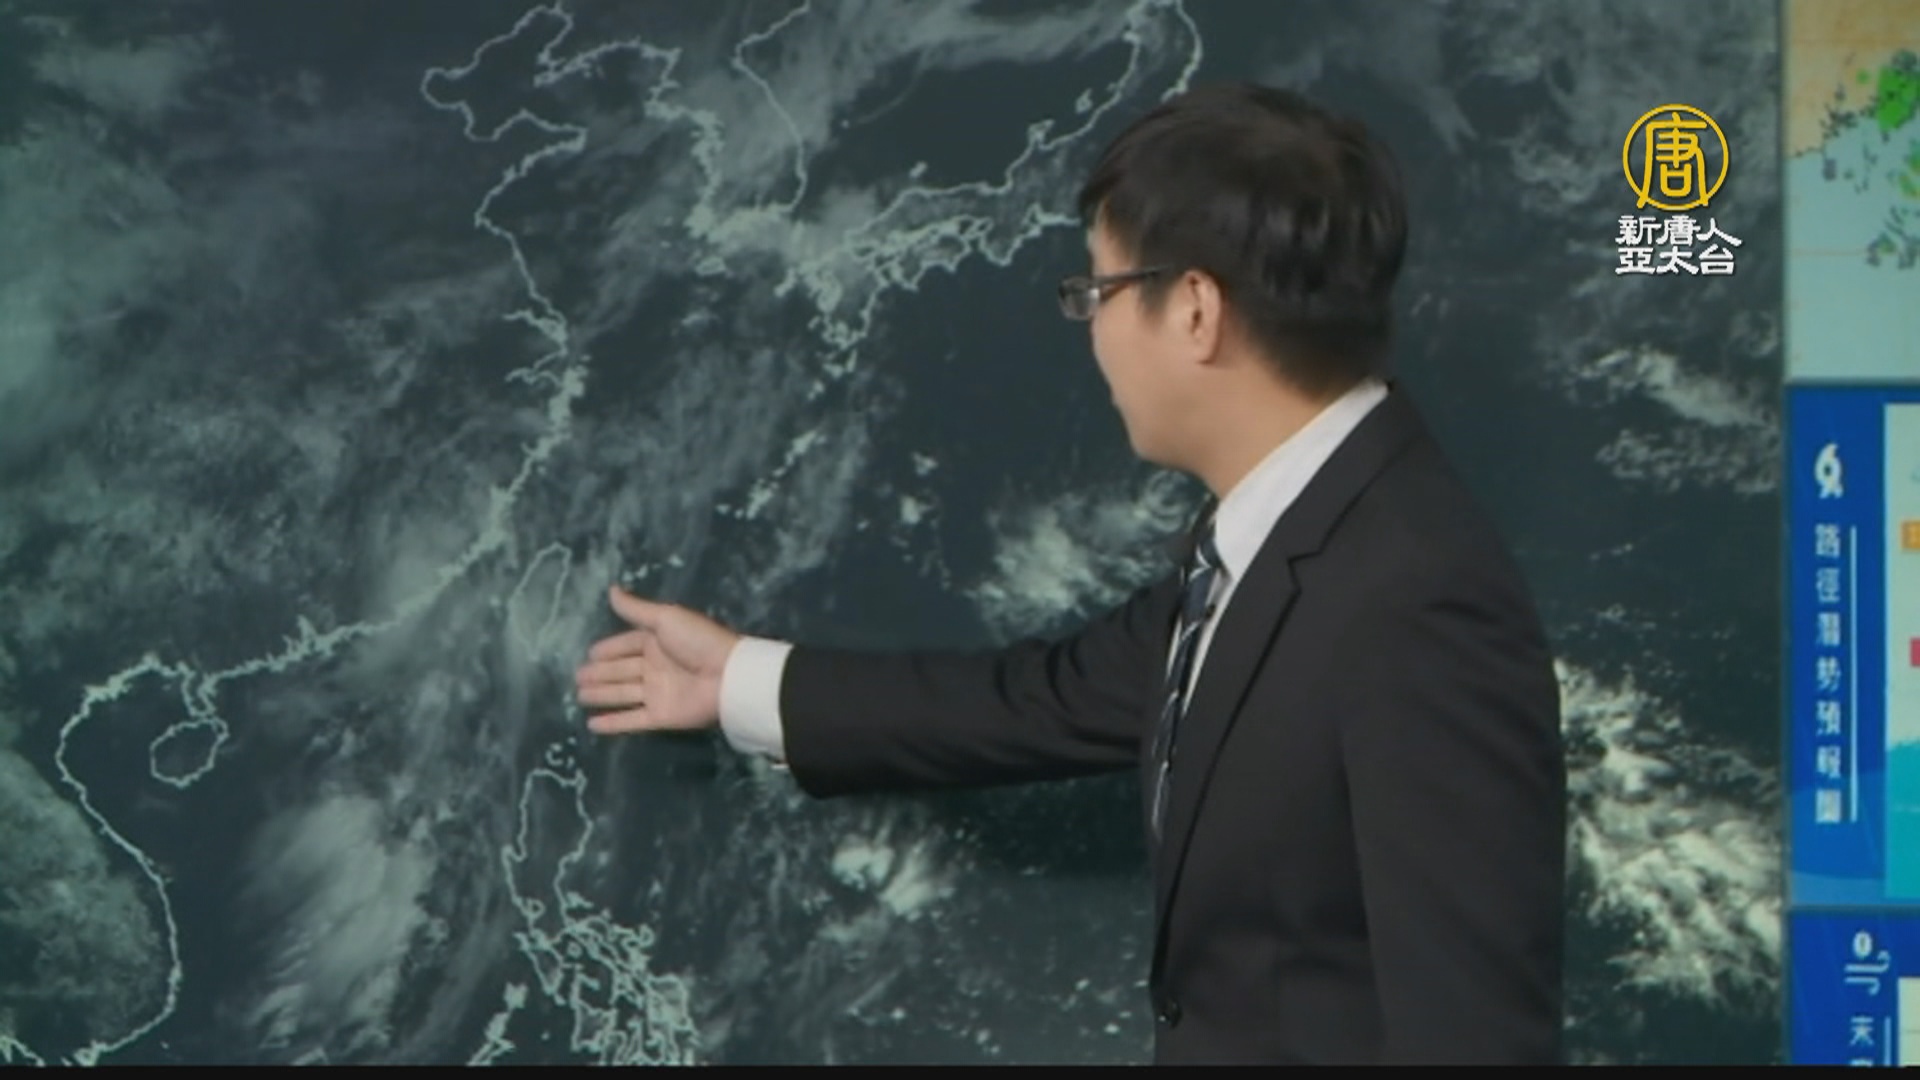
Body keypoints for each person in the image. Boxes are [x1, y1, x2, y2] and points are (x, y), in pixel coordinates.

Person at [576, 82, 1566, 1065]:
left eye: (1098, 292)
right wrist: (739, 681)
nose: (1090, 330)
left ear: (1195, 311)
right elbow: (1046, 699)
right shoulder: (1285, 531)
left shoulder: (1414, 599)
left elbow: (1479, 1042)